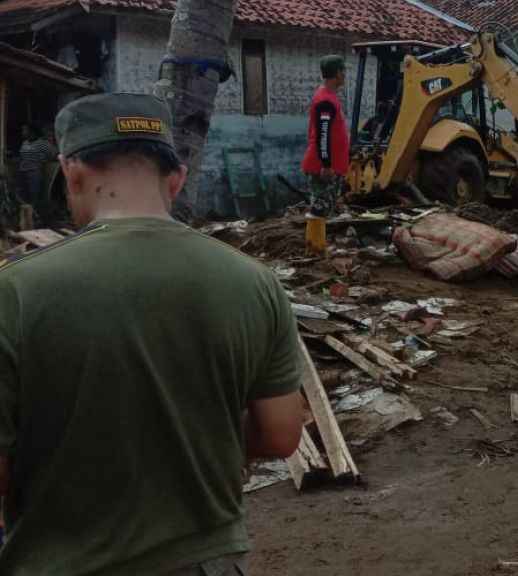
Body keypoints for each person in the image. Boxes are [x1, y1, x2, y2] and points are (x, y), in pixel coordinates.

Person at [0, 93, 304, 573]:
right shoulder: (253, 281)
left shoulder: (14, 290)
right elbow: (282, 434)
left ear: (72, 171)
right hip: (210, 562)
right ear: (177, 179)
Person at [303, 54, 351, 219]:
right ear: (338, 73)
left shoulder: (329, 98)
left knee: (325, 214)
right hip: (323, 169)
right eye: (343, 71)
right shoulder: (325, 101)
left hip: (330, 167)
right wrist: (326, 164)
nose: (345, 75)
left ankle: (320, 243)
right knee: (320, 215)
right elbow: (322, 135)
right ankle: (316, 244)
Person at [16, 124, 57, 210]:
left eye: (25, 130)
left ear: (32, 132)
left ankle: (36, 214)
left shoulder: (42, 143)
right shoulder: (25, 142)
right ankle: (26, 214)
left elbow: (55, 152)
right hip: (22, 171)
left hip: (33, 172)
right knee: (23, 194)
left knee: (34, 194)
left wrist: (45, 160)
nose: (23, 132)